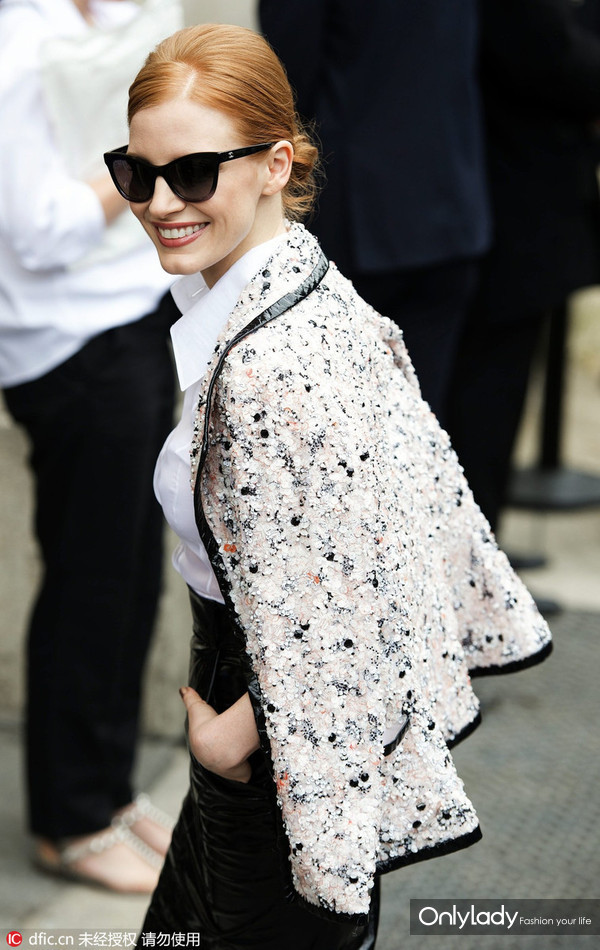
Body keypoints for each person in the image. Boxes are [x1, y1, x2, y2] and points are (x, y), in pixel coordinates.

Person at [104, 23, 552, 947]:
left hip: (274, 736)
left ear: (277, 164)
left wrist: (238, 738)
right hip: (268, 718)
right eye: (136, 173)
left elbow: (348, 600)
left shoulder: (271, 365)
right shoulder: (296, 283)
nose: (159, 203)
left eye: (193, 173)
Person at [0, 0, 180, 892]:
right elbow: (38, 230)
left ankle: (108, 794)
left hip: (132, 314)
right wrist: (149, 168)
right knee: (91, 583)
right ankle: (70, 818)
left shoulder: (120, 9)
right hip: (67, 343)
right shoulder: (17, 43)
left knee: (133, 575)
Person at [259, 0, 491, 425]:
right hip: (446, 198)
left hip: (353, 217)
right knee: (417, 423)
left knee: (335, 425)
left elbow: (283, 88)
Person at [445, 0, 600, 534]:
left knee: (491, 396)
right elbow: (551, 57)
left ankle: (483, 545)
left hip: (510, 203)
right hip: (511, 208)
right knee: (486, 400)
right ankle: (478, 553)